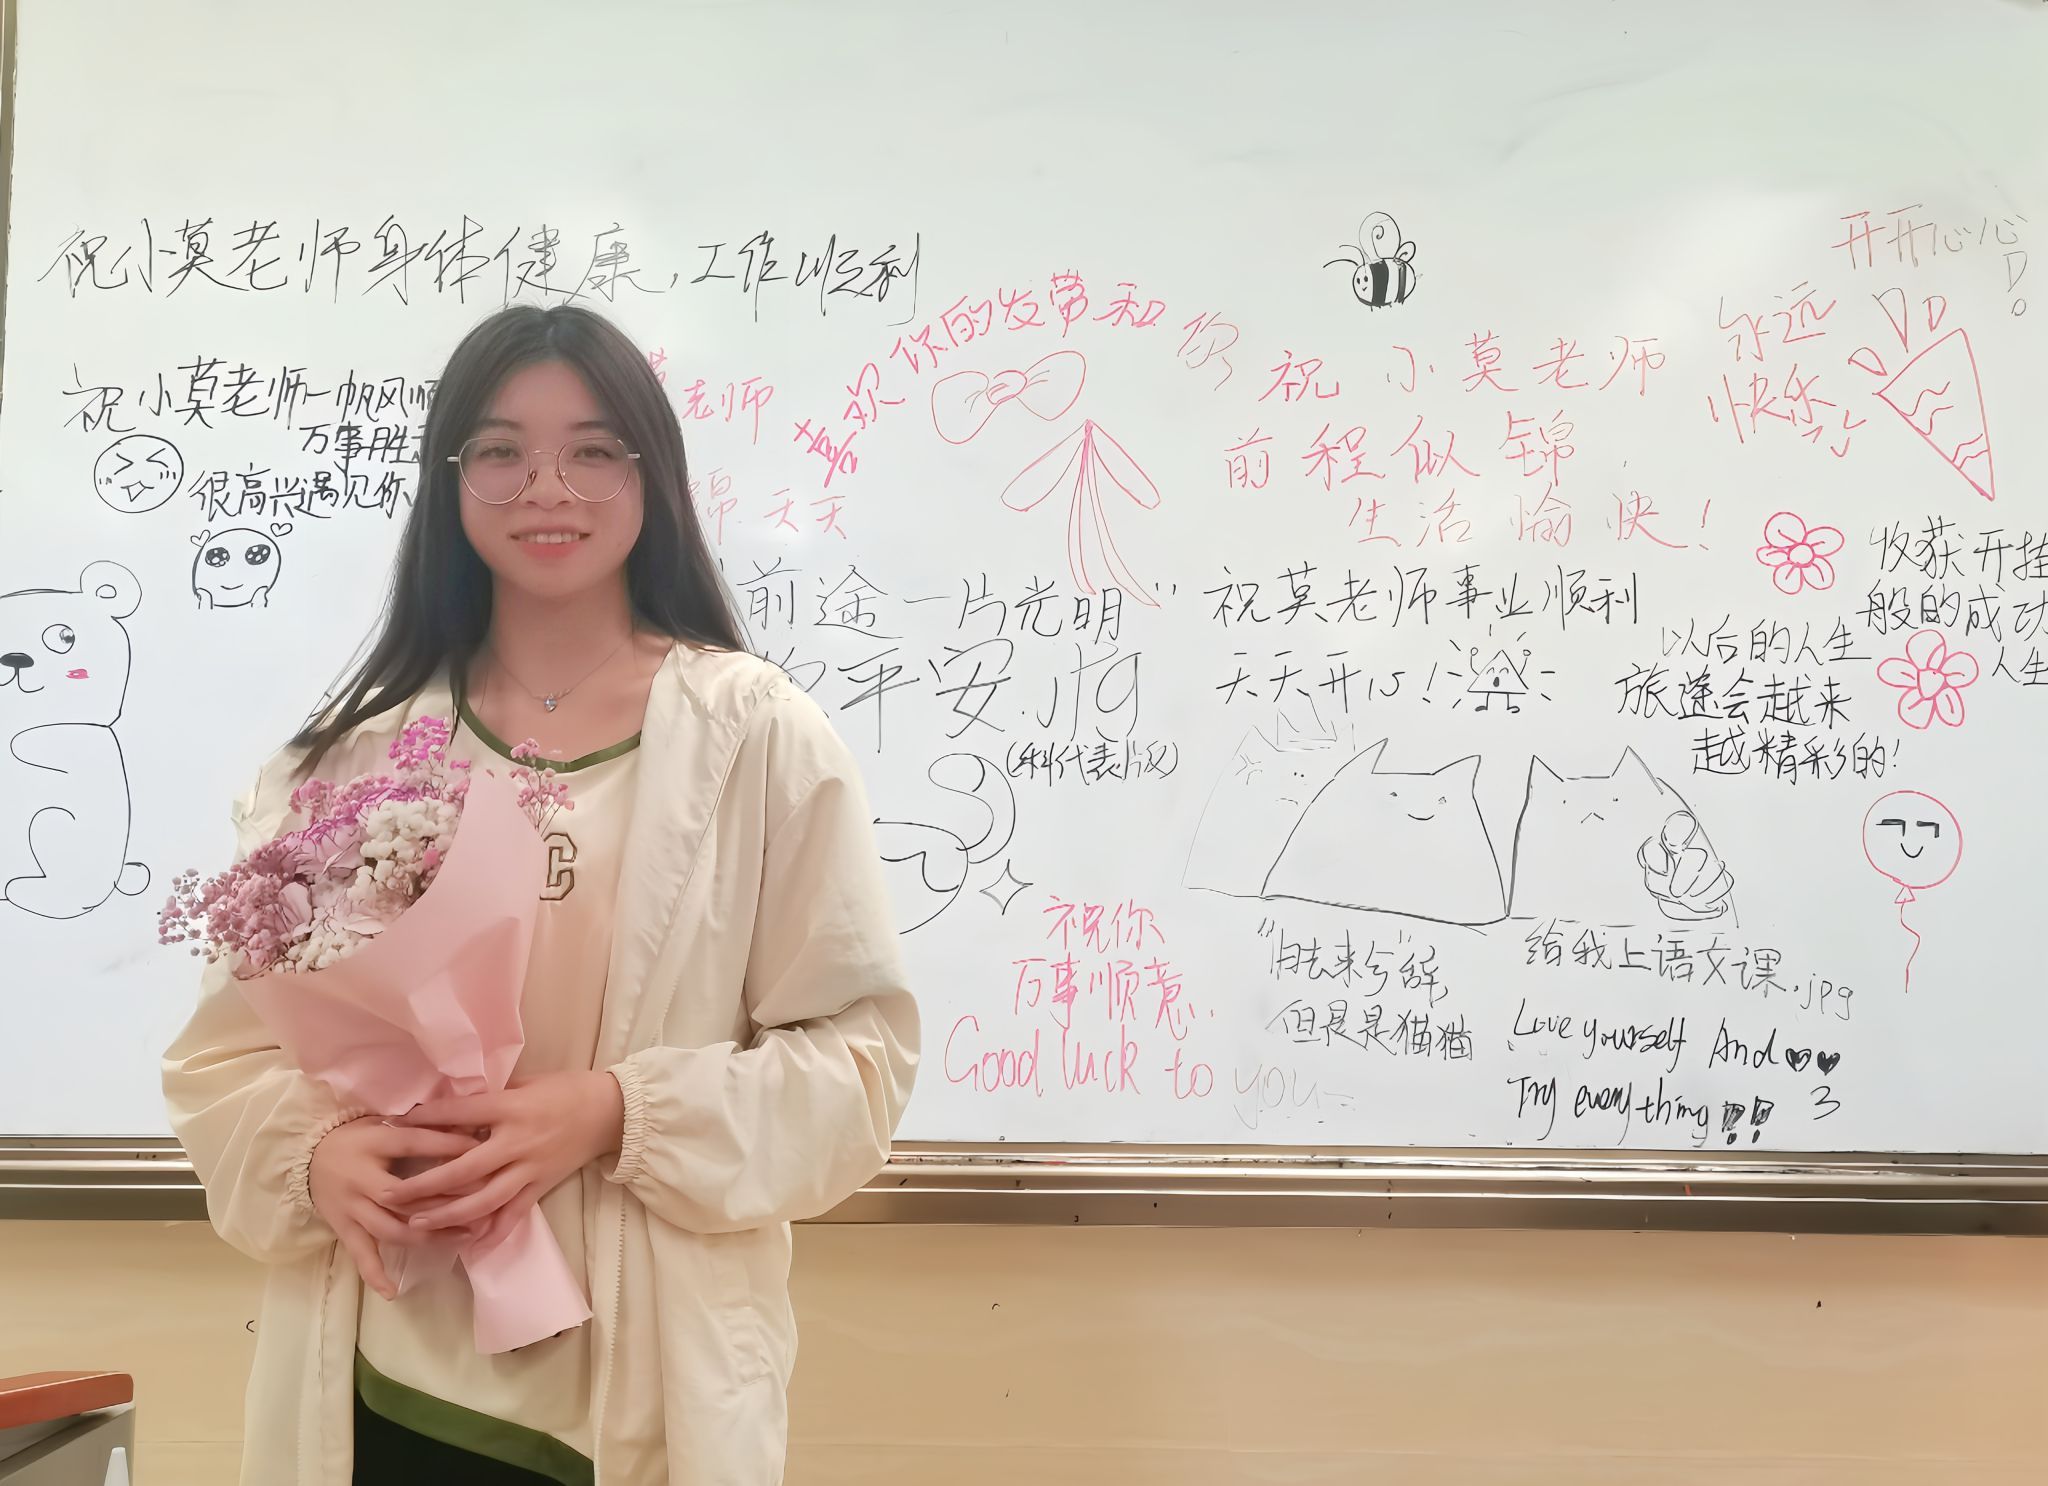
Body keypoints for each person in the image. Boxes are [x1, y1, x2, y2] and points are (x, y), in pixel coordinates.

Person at [162, 304, 919, 1485]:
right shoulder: (356, 757)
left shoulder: (755, 737)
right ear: (450, 480)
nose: (546, 488)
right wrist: (316, 1157)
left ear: (650, 475)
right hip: (383, 1357)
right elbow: (225, 1058)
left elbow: (856, 1067)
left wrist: (613, 1110)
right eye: (501, 451)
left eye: (593, 449)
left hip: (644, 1373)